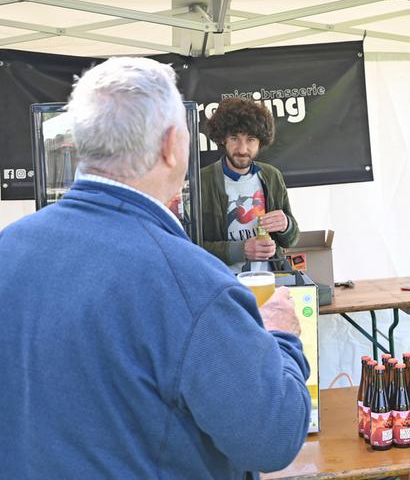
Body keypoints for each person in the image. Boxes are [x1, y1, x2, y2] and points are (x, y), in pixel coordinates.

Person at [0, 57, 310, 479]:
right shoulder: (194, 284)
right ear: (170, 145)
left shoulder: (8, 247)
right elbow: (272, 439)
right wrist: (280, 338)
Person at [201, 97, 298, 273]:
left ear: (261, 141)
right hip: (224, 284)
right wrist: (240, 250)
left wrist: (286, 225)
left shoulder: (272, 176)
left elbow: (290, 240)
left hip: (270, 281)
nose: (243, 149)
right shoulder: (201, 182)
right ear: (223, 139)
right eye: (235, 138)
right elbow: (189, 246)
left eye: (250, 139)